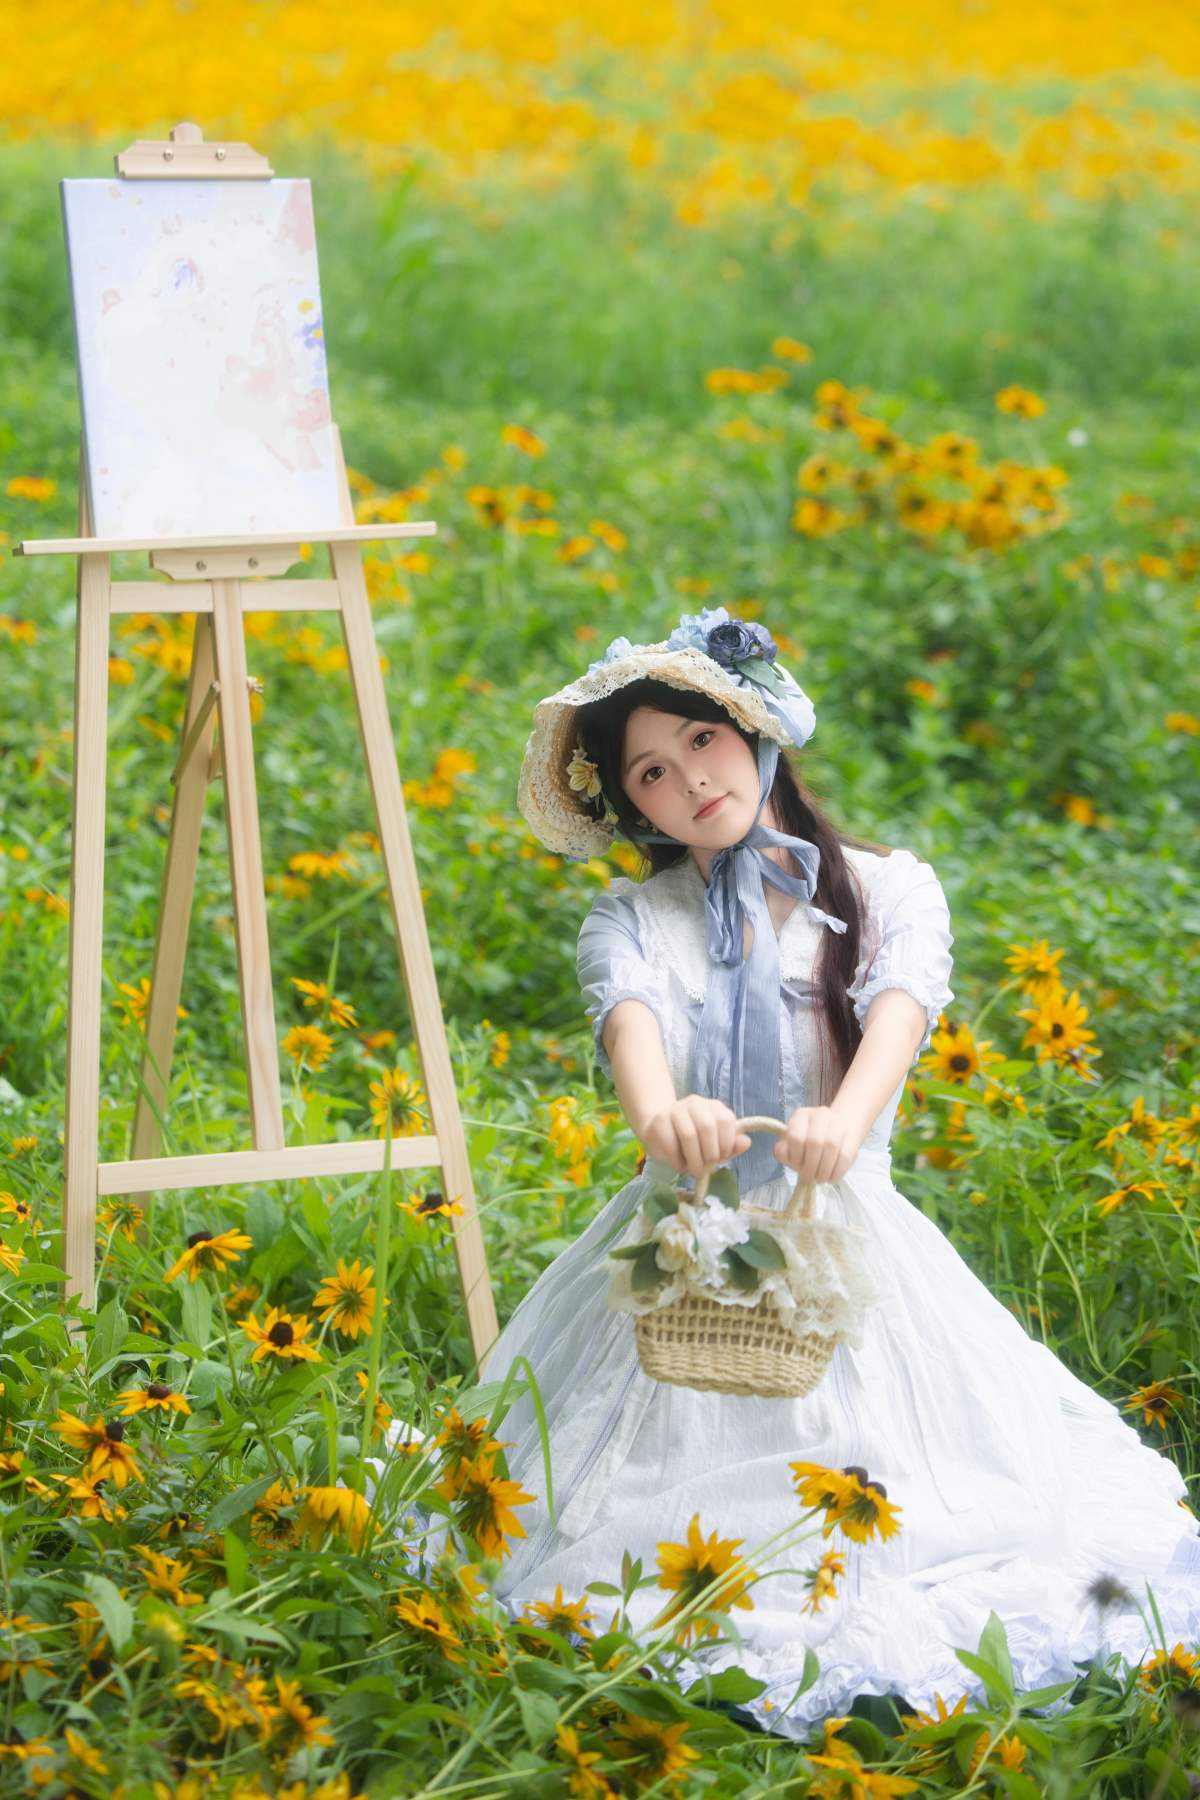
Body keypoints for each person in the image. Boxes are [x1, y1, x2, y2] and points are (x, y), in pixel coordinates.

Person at [477, 607, 1200, 1736]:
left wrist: (841, 1122)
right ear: (635, 810)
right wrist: (670, 1119)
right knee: (600, 1495)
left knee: (929, 1475)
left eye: (700, 742)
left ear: (752, 728)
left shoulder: (887, 889)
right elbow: (634, 1038)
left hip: (844, 1226)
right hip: (695, 1234)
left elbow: (898, 1028)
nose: (691, 781)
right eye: (652, 774)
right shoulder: (635, 917)